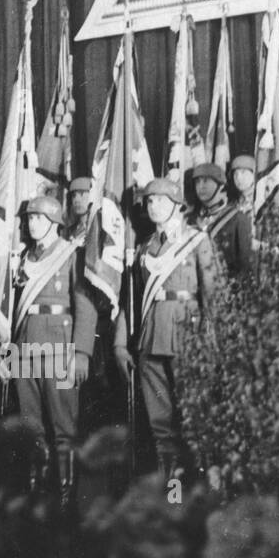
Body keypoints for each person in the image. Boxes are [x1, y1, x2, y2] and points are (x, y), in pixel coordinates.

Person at [114, 178, 217, 479]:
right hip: (150, 340)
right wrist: (120, 344)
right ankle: (173, 494)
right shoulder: (144, 248)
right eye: (148, 201)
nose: (152, 205)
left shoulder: (197, 240)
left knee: (196, 418)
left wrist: (211, 340)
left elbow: (213, 293)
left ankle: (207, 490)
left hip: (189, 336)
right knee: (161, 426)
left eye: (158, 199)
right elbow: (129, 302)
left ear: (176, 204)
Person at [0, 196, 95, 512]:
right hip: (26, 350)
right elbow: (12, 311)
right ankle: (37, 495)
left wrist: (82, 352)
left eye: (37, 218)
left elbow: (85, 306)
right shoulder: (22, 258)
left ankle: (67, 498)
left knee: (64, 428)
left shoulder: (71, 255)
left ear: (54, 222)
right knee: (31, 428)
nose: (31, 224)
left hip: (60, 350)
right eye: (28, 219)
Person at [190, 162, 254, 279]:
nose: (201, 186)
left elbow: (245, 267)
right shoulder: (191, 220)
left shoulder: (238, 219)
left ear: (220, 185)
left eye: (206, 181)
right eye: (197, 182)